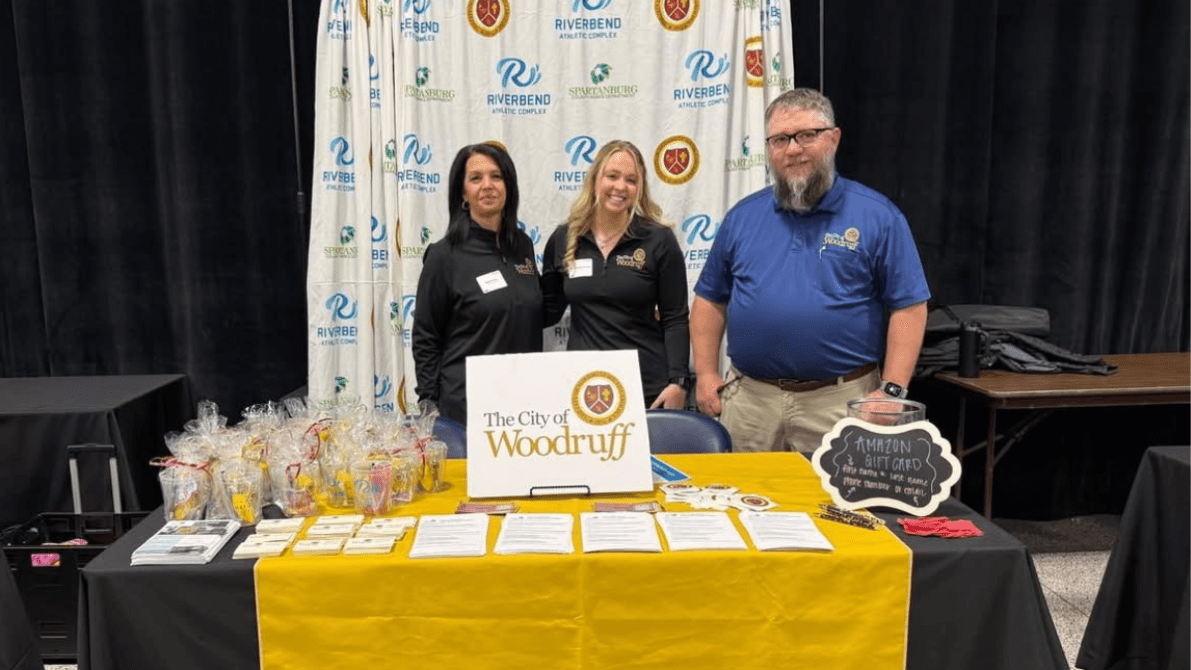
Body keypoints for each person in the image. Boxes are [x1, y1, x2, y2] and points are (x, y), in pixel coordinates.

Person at [691, 88, 931, 452]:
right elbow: (710, 299)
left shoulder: (878, 216)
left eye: (806, 135)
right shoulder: (742, 217)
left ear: (833, 139)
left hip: (840, 403)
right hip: (750, 404)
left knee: (839, 508)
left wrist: (894, 390)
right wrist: (707, 373)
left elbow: (909, 307)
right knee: (743, 502)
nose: (792, 149)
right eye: (780, 139)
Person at [541, 140, 690, 409]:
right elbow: (545, 311)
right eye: (612, 176)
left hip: (646, 387)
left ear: (640, 188)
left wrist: (677, 381)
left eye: (631, 180)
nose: (621, 187)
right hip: (583, 386)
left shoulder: (658, 239)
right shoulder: (564, 238)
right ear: (595, 179)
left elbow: (675, 318)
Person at [412, 143, 542, 425]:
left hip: (525, 400)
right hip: (466, 406)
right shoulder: (444, 255)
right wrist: (428, 401)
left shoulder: (523, 246)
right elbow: (426, 336)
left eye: (496, 176)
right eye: (476, 178)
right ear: (462, 192)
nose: (488, 186)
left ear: (509, 186)